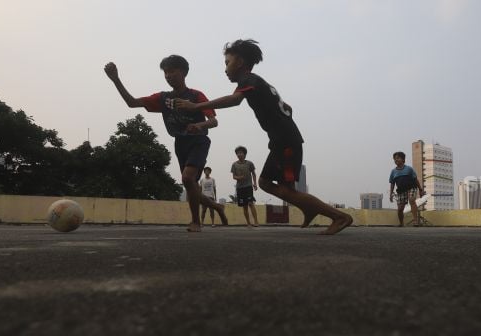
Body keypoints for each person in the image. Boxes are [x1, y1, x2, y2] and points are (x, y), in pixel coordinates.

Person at [174, 39, 352, 235]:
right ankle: (307, 207)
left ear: (240, 62)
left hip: (285, 141)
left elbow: (235, 100)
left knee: (280, 187)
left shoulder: (249, 80)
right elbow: (289, 108)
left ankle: (339, 216)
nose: (225, 69)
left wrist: (196, 106)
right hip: (282, 140)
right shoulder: (259, 82)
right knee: (271, 184)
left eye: (227, 63)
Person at [104, 55, 228, 232]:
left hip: (199, 141)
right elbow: (132, 103)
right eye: (165, 72)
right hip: (180, 143)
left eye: (172, 71)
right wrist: (116, 79)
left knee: (187, 178)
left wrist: (199, 125)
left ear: (184, 72)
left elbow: (214, 121)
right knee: (190, 184)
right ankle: (217, 207)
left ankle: (196, 222)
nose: (168, 75)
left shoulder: (195, 95)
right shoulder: (163, 98)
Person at [389, 151, 425, 227]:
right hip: (401, 190)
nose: (396, 160)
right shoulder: (393, 172)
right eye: (394, 159)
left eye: (398, 158)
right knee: (400, 209)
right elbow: (392, 183)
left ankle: (415, 221)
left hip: (411, 188)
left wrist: (420, 189)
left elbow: (415, 179)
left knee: (412, 200)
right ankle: (401, 223)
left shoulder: (409, 169)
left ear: (403, 159)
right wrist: (391, 194)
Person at [231, 146, 260, 227]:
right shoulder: (234, 165)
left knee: (251, 203)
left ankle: (256, 221)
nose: (239, 154)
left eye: (241, 153)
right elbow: (234, 176)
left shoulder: (249, 163)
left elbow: (253, 174)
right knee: (244, 206)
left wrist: (255, 183)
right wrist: (239, 177)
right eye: (238, 153)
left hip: (248, 186)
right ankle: (248, 223)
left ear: (245, 154)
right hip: (240, 188)